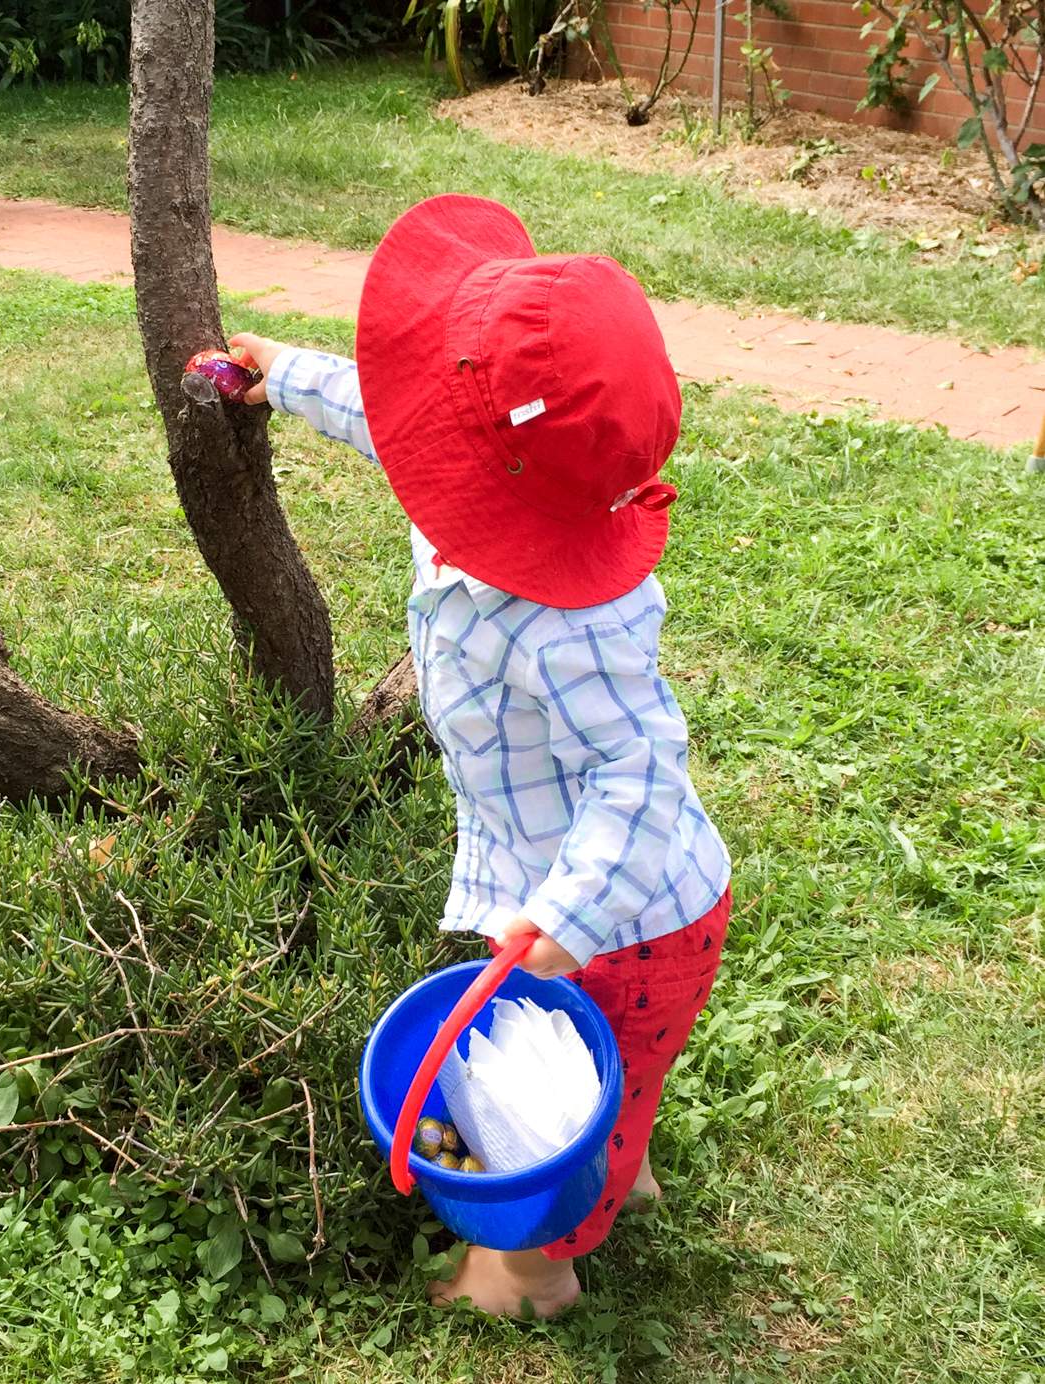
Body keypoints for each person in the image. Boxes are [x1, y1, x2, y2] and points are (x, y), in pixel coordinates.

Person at [227, 194, 732, 1319]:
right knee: (615, 1076)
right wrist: (284, 373)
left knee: (559, 1121)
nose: (421, 454)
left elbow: (641, 774)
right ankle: (629, 1153)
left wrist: (563, 918)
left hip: (630, 922)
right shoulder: (479, 483)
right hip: (588, 897)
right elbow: (389, 415)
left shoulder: (575, 621)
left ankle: (532, 1273)